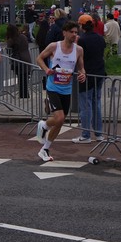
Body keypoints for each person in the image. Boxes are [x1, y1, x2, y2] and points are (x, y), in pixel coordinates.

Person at [35, 21, 86, 162]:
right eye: (72, 32)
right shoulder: (54, 46)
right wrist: (46, 69)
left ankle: (44, 127)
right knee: (60, 118)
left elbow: (81, 67)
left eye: (76, 32)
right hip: (53, 87)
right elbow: (39, 58)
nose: (74, 35)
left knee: (60, 120)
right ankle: (44, 148)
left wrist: (83, 74)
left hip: (66, 89)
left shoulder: (78, 50)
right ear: (64, 33)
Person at [75, 13, 106, 144]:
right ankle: (99, 133)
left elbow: (80, 57)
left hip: (87, 74)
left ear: (82, 26)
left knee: (85, 105)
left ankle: (86, 134)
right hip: (99, 73)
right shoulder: (100, 38)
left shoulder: (82, 40)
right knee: (96, 103)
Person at [7, 22, 32, 99]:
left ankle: (23, 96)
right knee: (25, 79)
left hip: (18, 61)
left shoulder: (12, 39)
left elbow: (9, 50)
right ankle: (25, 95)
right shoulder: (23, 37)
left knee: (21, 79)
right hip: (27, 59)